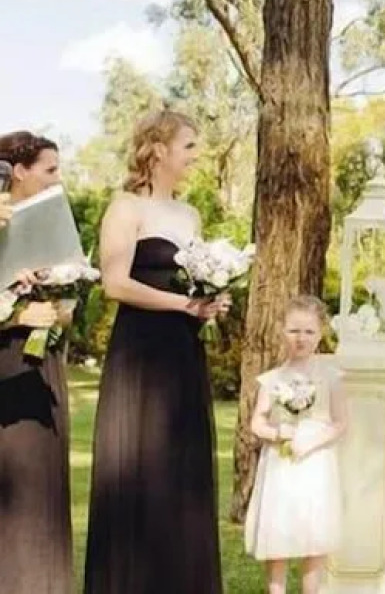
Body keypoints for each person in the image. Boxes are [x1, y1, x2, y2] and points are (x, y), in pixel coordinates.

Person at [84, 110, 229, 594]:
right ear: (159, 149)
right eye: (189, 146)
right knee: (141, 469)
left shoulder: (191, 216)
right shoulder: (126, 207)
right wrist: (184, 304)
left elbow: (194, 280)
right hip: (140, 357)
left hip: (183, 357)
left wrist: (211, 301)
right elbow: (115, 284)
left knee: (181, 475)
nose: (195, 156)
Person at [0, 131, 74, 593]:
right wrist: (17, 312)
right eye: (49, 169)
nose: (56, 179)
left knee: (42, 494)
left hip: (43, 366)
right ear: (18, 172)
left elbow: (70, 299)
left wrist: (59, 308)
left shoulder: (52, 222)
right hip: (3, 369)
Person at [245, 295, 348, 594]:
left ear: (320, 334)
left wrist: (313, 441)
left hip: (315, 463)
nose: (300, 339)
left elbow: (341, 422)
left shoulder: (331, 376)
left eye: (308, 332)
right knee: (280, 531)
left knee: (313, 536)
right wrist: (280, 435)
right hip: (281, 462)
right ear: (282, 331)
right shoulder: (273, 379)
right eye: (293, 331)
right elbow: (257, 422)